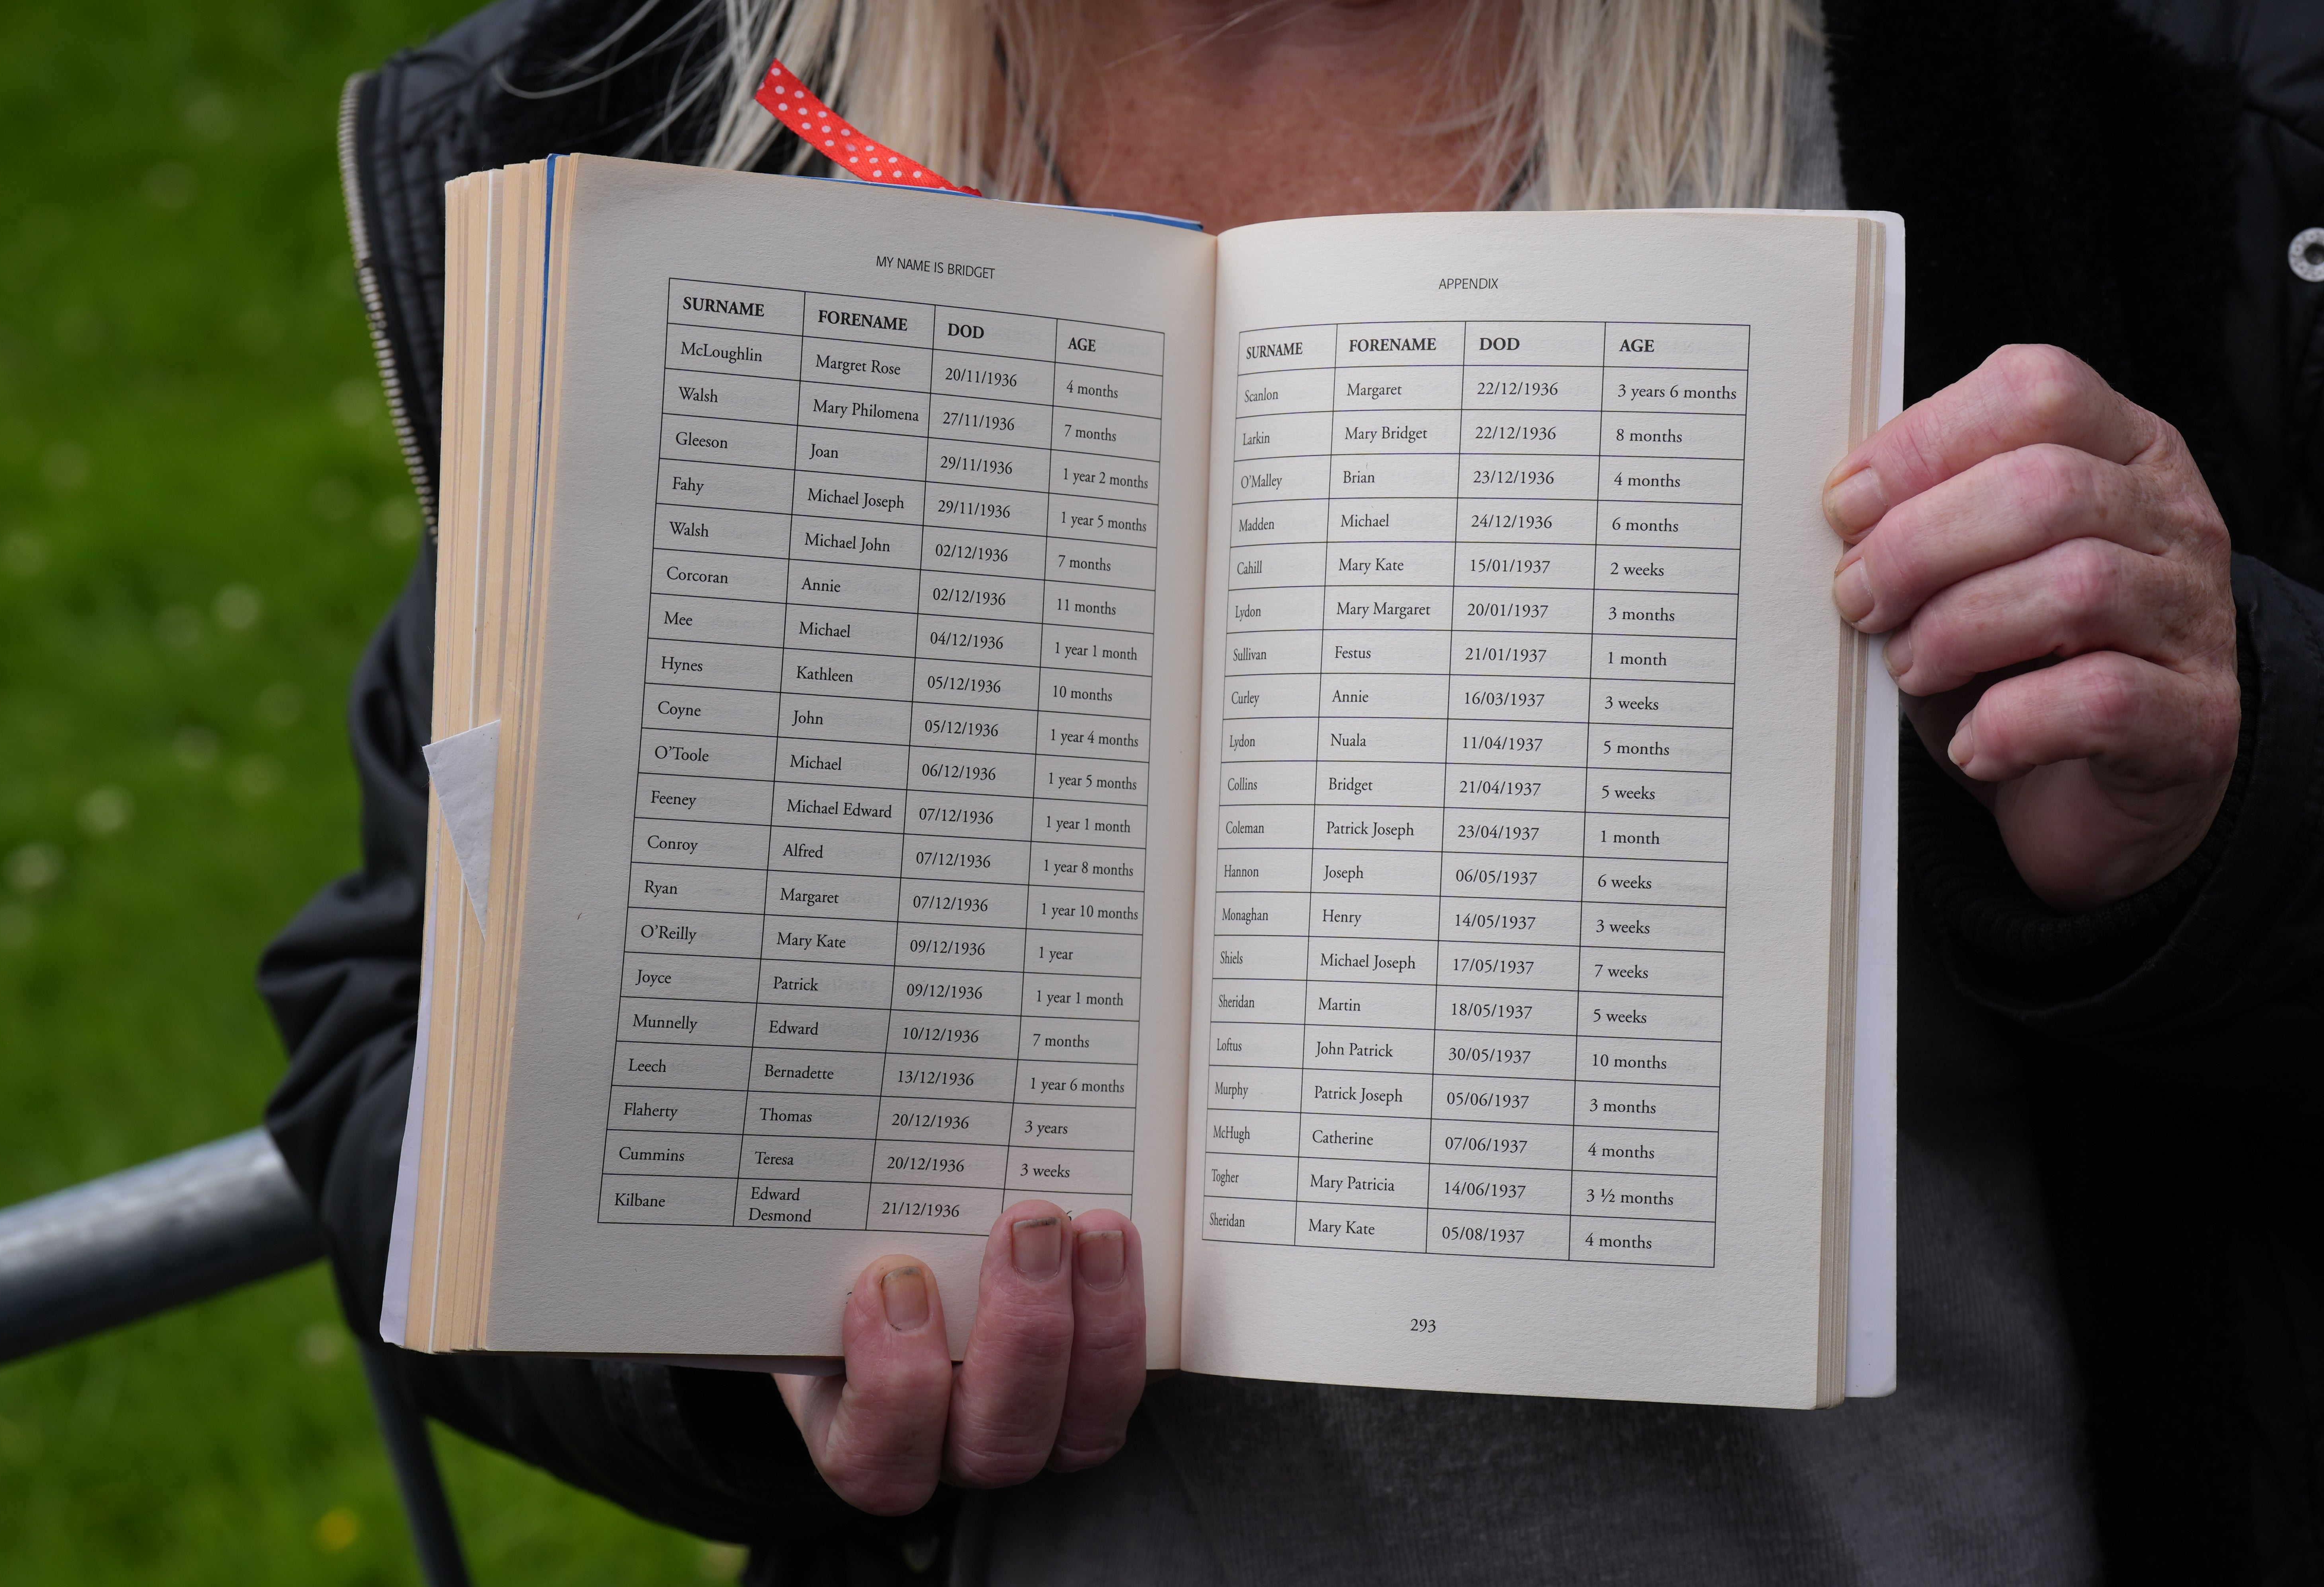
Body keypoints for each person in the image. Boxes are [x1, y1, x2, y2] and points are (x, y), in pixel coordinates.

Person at [261, 1, 2324, 1581]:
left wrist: (2227, 805)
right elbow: (402, 1029)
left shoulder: (2103, 77)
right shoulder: (692, 112)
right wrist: (717, 1340)